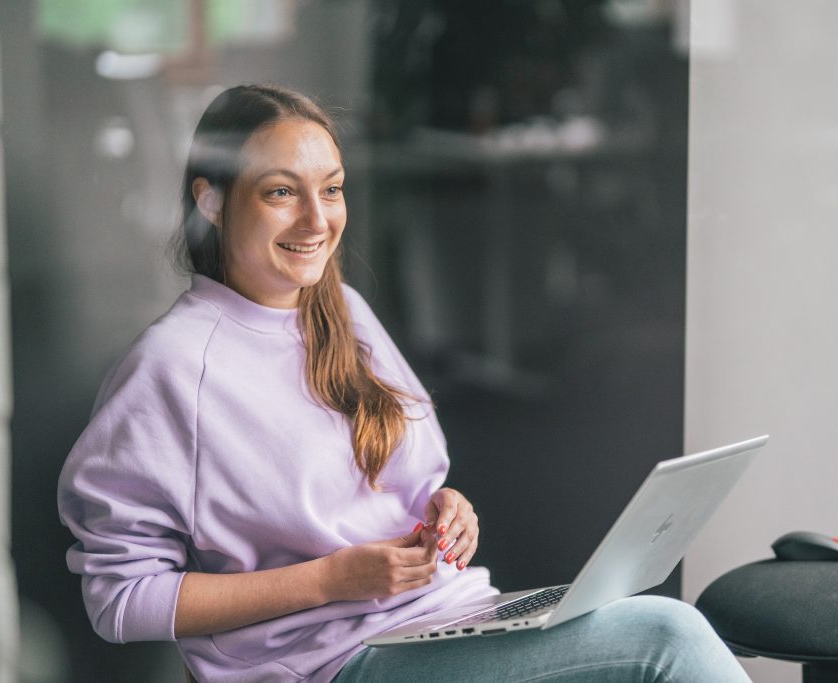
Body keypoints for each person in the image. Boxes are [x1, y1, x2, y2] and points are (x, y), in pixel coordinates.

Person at [58, 84, 751, 682]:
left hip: (448, 620)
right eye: (280, 192)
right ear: (209, 201)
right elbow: (120, 601)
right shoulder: (172, 367)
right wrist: (334, 578)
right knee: (666, 637)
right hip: (337, 662)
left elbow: (410, 489)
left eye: (331, 189)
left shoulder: (344, 312)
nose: (317, 219)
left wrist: (449, 511)